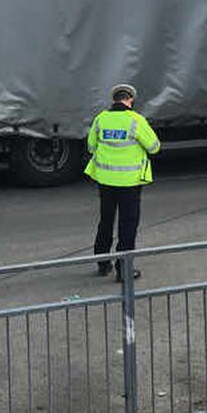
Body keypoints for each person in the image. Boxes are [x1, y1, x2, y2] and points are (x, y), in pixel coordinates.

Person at [85, 83, 161, 282]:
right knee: (127, 225)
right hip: (130, 183)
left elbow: (91, 146)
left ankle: (102, 263)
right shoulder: (136, 120)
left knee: (106, 221)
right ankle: (123, 270)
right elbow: (154, 147)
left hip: (105, 181)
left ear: (114, 99)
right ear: (130, 100)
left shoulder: (101, 119)